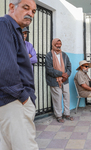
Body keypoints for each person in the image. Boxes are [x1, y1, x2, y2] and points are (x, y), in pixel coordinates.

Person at [0, 0, 38, 150]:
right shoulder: (4, 25)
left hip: (10, 101)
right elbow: (5, 67)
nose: (30, 13)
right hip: (14, 103)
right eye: (26, 8)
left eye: (33, 11)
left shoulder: (14, 30)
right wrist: (24, 97)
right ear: (11, 7)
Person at [45, 38, 73, 123]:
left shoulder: (64, 55)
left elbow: (69, 66)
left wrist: (66, 75)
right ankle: (58, 115)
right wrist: (61, 74)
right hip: (54, 80)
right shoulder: (49, 55)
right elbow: (49, 70)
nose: (58, 45)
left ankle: (67, 114)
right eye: (57, 44)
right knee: (57, 98)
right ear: (53, 44)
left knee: (67, 96)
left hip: (65, 80)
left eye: (60, 44)